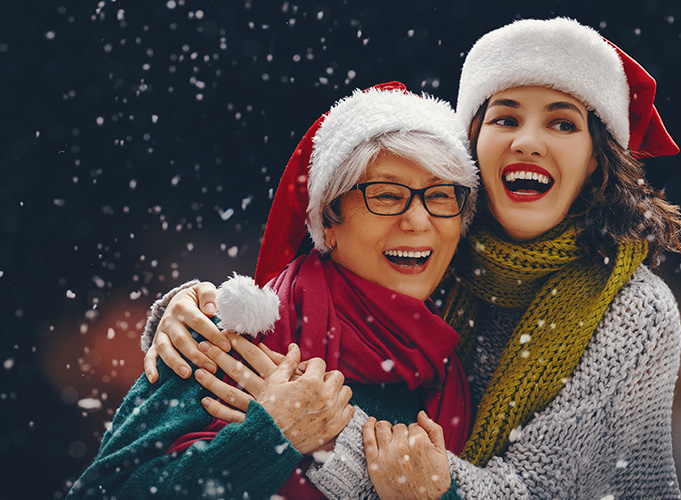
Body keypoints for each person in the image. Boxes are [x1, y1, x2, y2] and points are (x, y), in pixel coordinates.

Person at [142, 17, 681, 499]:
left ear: (597, 160)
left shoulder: (635, 310)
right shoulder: (441, 254)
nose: (527, 140)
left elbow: (533, 490)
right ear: (473, 147)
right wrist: (193, 312)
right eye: (504, 118)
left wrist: (328, 432)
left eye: (562, 122)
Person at [67, 82, 480, 500]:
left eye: (441, 196)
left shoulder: (457, 374)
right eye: (387, 195)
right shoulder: (222, 340)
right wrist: (271, 437)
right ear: (329, 221)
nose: (417, 220)